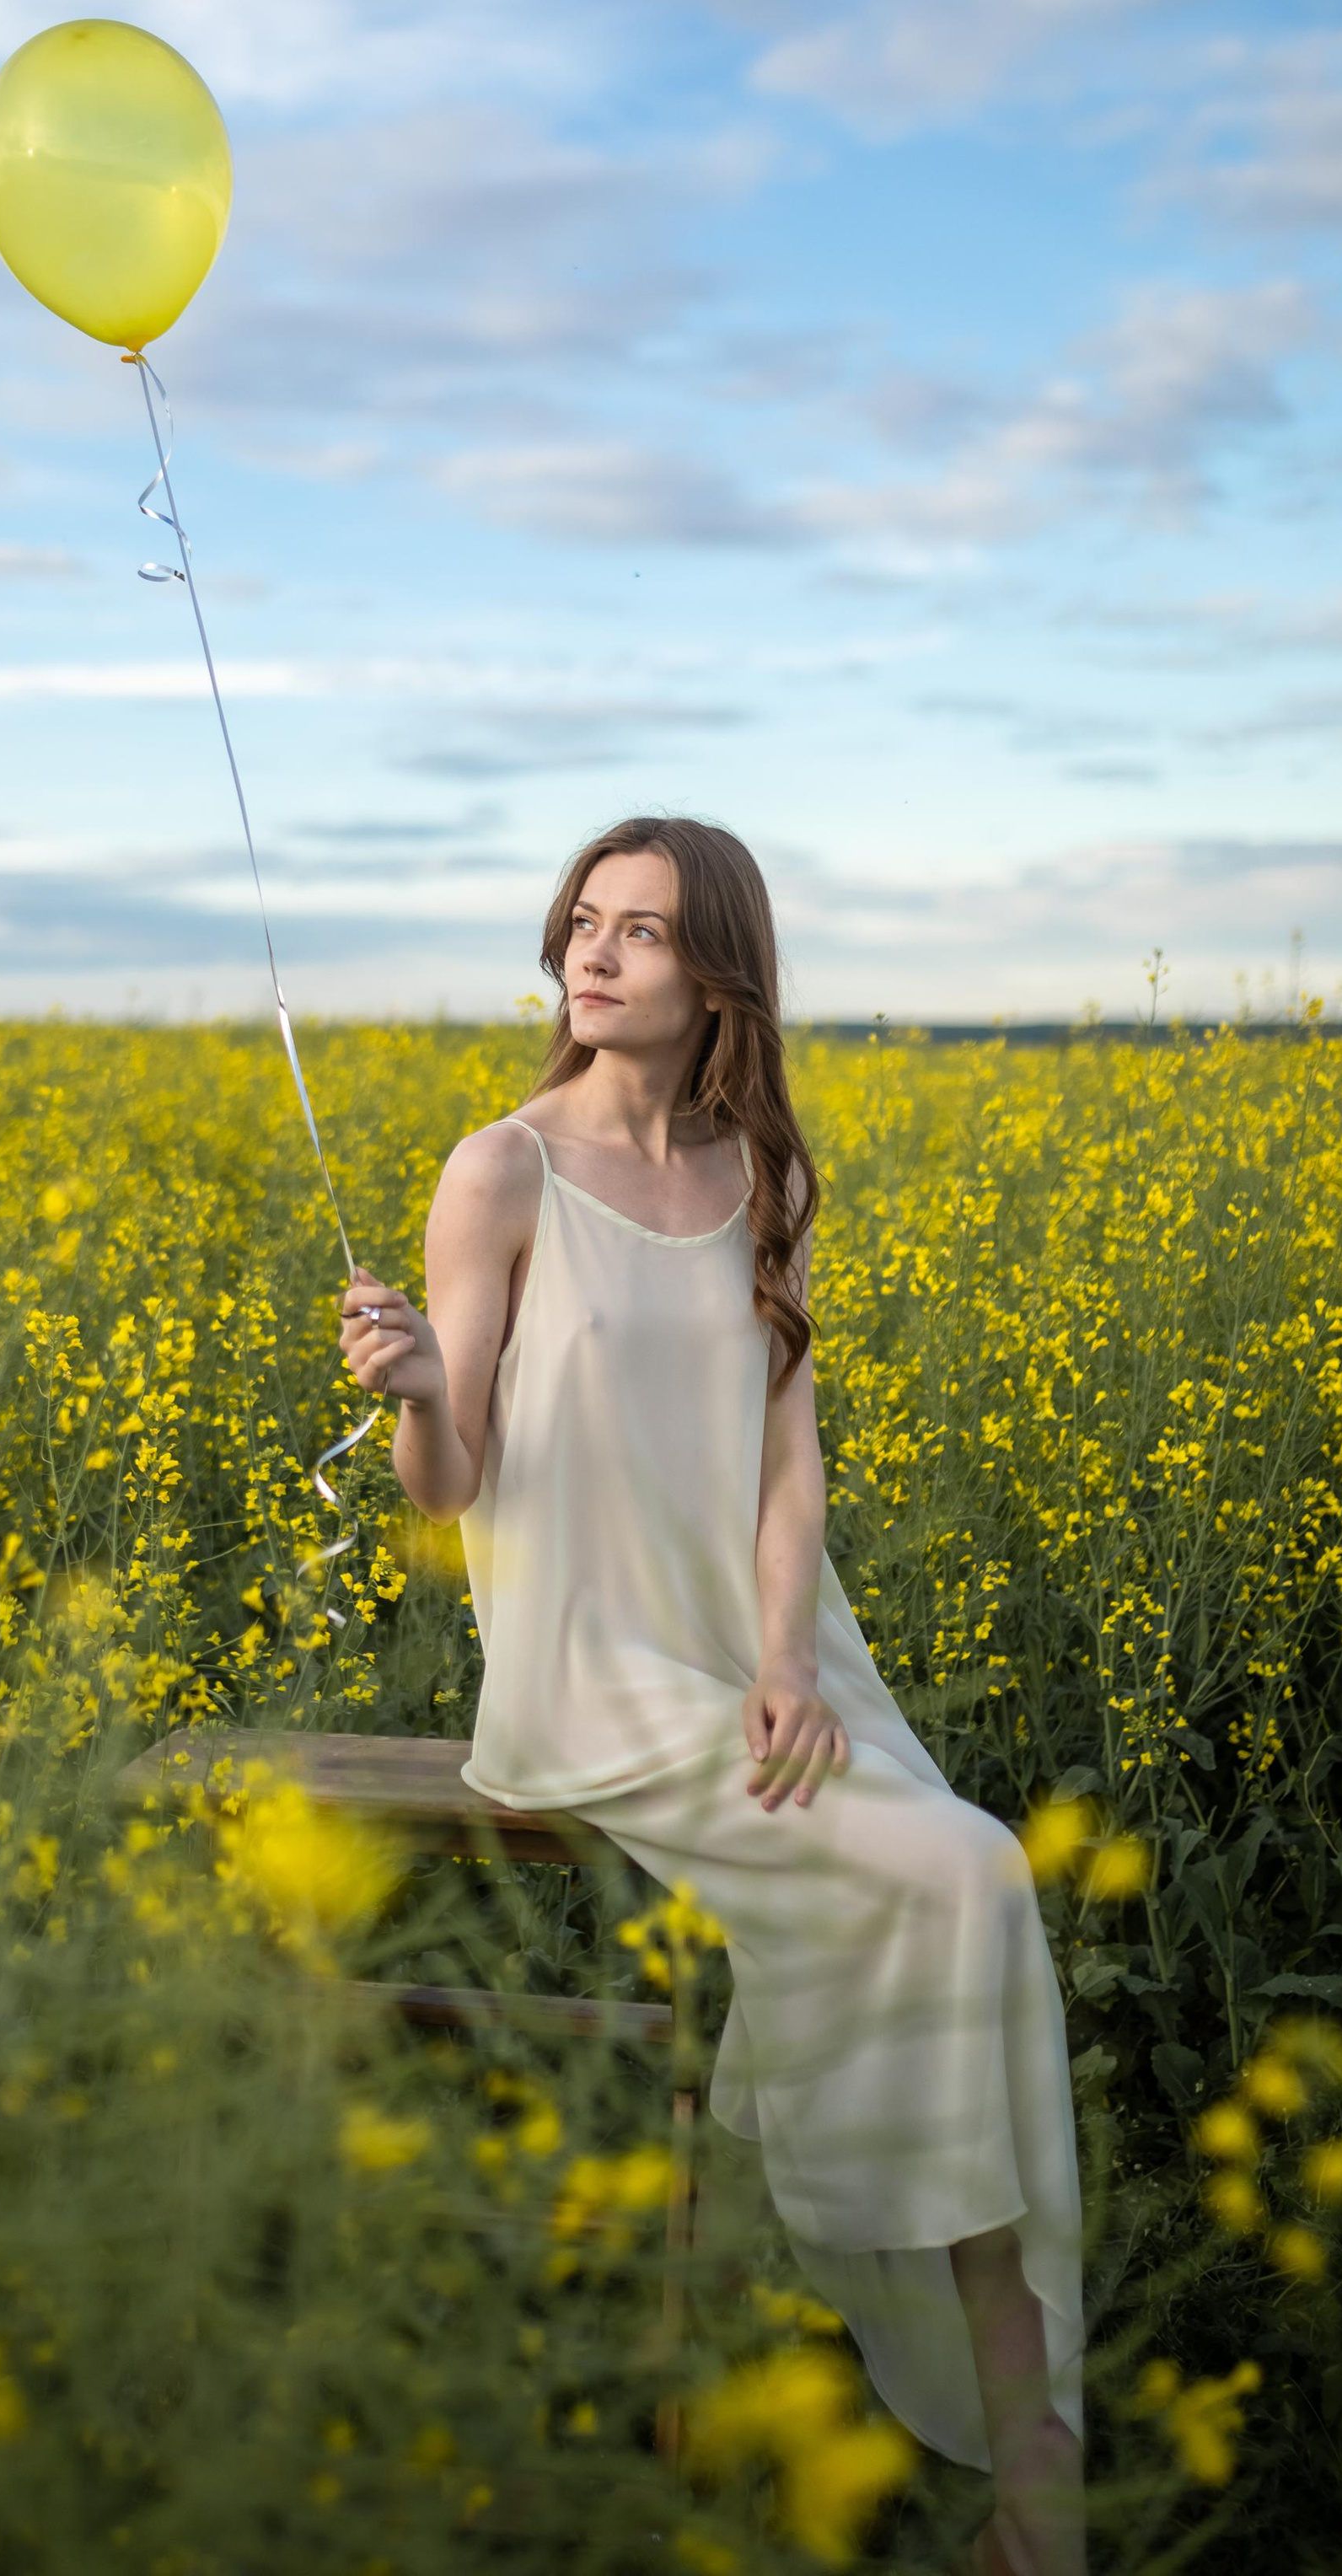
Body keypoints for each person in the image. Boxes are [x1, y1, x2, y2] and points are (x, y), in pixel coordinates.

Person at [338, 815, 1085, 2576]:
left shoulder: (764, 1177)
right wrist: (422, 1386)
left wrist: (778, 1665)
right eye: (579, 925)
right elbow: (446, 1492)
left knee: (974, 1872)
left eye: (641, 932)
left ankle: (1025, 2450)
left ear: (716, 975)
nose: (591, 956)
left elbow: (783, 1470)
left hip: (753, 1652)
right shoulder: (495, 1170)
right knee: (936, 1884)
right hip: (585, 1669)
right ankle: (1015, 2455)